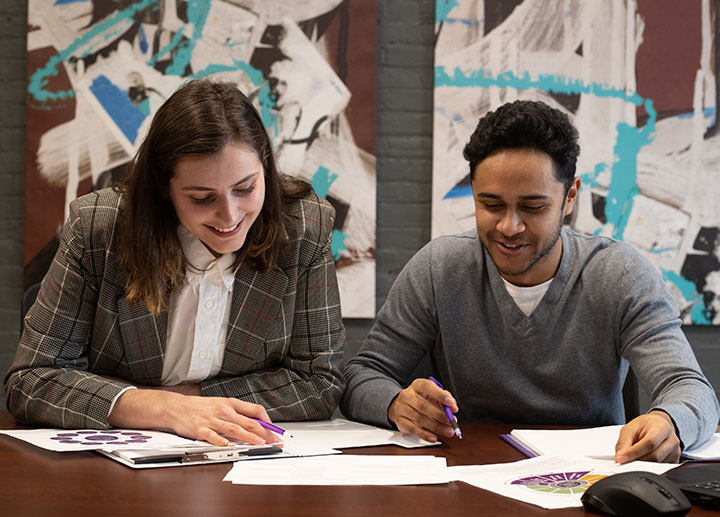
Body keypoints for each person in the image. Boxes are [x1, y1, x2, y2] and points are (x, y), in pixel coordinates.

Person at [341, 100, 719, 463]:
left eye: (533, 207)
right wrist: (395, 404)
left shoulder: (620, 274)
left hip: (592, 480)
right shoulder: (439, 268)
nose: (509, 227)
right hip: (469, 473)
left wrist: (669, 422)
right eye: (490, 205)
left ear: (570, 196)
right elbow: (362, 376)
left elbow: (691, 388)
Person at [6, 79, 345, 447]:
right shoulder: (97, 228)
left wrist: (194, 403)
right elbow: (33, 380)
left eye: (246, 189)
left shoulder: (303, 228)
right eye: (202, 197)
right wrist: (162, 408)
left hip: (244, 458)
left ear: (265, 167)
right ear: (164, 189)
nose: (229, 215)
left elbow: (319, 383)